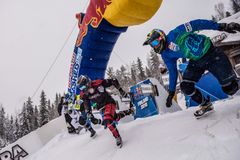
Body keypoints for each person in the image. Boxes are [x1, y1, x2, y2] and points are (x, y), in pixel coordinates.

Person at [143, 19, 240, 118]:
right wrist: (171, 92)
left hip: (211, 54)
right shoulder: (165, 55)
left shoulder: (175, 33)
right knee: (185, 86)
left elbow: (196, 24)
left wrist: (222, 26)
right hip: (196, 61)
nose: (154, 47)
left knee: (230, 89)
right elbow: (172, 72)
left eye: (154, 43)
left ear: (161, 37)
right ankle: (206, 104)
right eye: (152, 45)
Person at [77, 75, 134, 148]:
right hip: (101, 108)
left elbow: (113, 80)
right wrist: (89, 114)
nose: (83, 89)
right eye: (81, 88)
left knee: (108, 120)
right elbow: (86, 104)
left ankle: (117, 137)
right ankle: (128, 112)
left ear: (88, 83)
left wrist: (121, 90)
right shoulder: (84, 94)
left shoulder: (98, 83)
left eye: (83, 87)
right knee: (114, 118)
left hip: (109, 103)